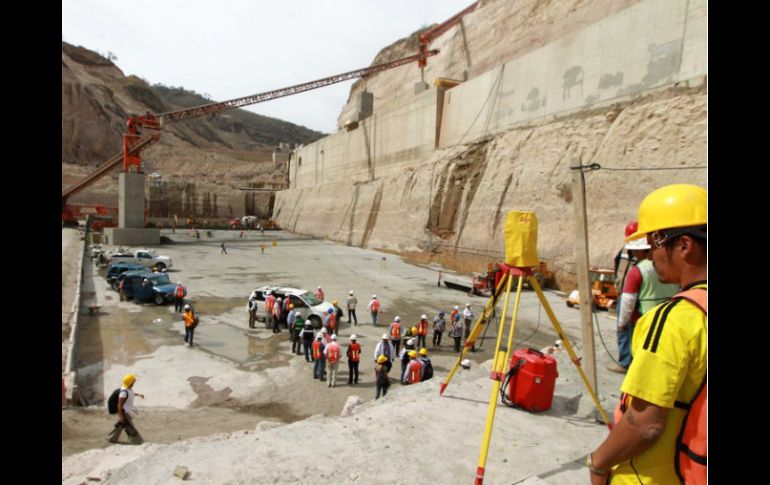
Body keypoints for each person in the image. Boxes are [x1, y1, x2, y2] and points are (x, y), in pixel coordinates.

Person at [587, 184, 707, 485]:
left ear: (684, 246)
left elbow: (645, 425)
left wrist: (598, 464)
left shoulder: (674, 321)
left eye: (655, 244)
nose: (651, 255)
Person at [607, 221, 680, 374]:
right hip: (667, 312)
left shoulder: (638, 270)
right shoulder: (671, 265)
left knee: (634, 339)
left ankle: (627, 364)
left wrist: (622, 322)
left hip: (642, 314)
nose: (634, 253)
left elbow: (628, 300)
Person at [107, 373, 144, 444]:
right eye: (133, 380)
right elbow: (119, 406)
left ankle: (111, 438)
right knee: (129, 426)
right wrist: (121, 417)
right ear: (130, 382)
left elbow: (131, 393)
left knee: (121, 425)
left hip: (125, 411)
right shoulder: (123, 392)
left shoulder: (128, 388)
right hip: (123, 411)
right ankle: (138, 441)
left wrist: (138, 394)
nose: (134, 381)